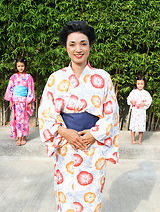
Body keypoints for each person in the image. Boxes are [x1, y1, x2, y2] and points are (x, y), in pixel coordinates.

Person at [38, 21, 119, 212]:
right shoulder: (56, 78)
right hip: (66, 145)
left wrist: (94, 134)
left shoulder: (103, 77)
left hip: (93, 145)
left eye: (83, 43)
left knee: (92, 194)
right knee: (66, 193)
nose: (78, 49)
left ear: (90, 45)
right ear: (66, 47)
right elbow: (46, 111)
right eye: (72, 44)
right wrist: (63, 132)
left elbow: (111, 113)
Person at [4, 56, 35, 146]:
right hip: (16, 101)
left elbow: (30, 89)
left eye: (22, 66)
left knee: (24, 119)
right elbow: (10, 89)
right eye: (18, 66)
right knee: (16, 119)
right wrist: (10, 101)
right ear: (16, 67)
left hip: (24, 101)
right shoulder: (13, 77)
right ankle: (18, 136)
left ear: (25, 66)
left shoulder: (28, 77)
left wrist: (29, 101)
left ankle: (23, 136)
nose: (20, 68)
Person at [127, 75, 152, 145]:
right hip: (135, 111)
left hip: (141, 112)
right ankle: (132, 140)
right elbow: (129, 98)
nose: (140, 85)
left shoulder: (146, 93)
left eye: (142, 84)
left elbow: (149, 100)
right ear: (136, 83)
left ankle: (139, 140)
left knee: (141, 126)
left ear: (144, 84)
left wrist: (144, 103)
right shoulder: (133, 92)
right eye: (138, 84)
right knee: (133, 126)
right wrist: (131, 101)